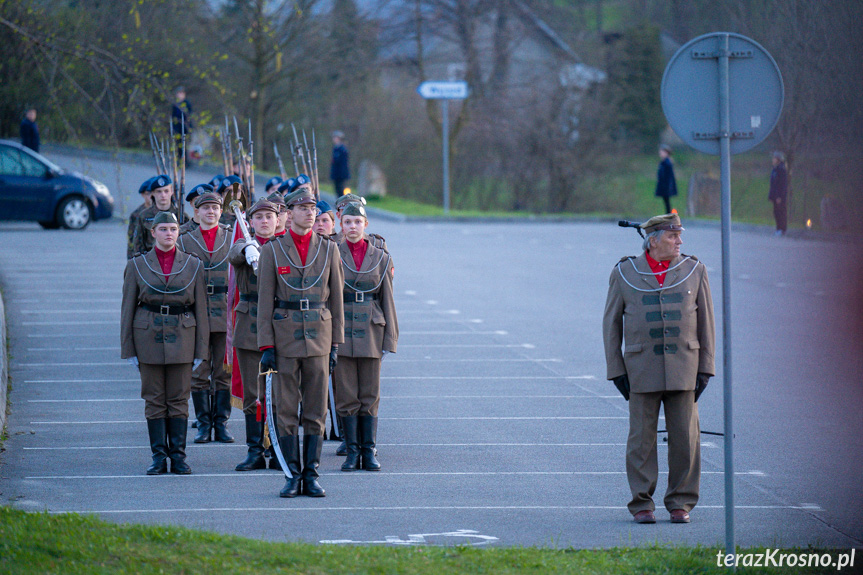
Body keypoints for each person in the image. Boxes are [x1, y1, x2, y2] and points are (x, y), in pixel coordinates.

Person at [602, 213, 715, 525]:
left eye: (679, 236)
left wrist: (705, 368)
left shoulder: (694, 270)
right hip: (641, 369)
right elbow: (611, 324)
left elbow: (706, 323)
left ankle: (680, 502)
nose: (679, 242)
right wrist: (616, 369)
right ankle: (642, 503)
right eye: (672, 236)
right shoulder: (625, 273)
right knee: (641, 441)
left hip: (685, 368)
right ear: (652, 241)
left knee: (685, 440)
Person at [257, 186, 344, 498]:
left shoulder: (329, 249)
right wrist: (266, 346)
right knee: (286, 409)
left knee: (316, 410)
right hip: (285, 339)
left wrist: (336, 345)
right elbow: (264, 302)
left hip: (320, 337)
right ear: (288, 213)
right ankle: (292, 474)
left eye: (313, 208)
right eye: (302, 207)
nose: (310, 212)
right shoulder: (272, 250)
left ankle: (312, 473)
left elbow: (337, 301)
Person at [121, 211, 209, 475]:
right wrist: (129, 349)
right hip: (147, 335)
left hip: (182, 335)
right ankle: (159, 456)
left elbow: (201, 310)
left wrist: (200, 349)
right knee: (154, 398)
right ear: (153, 232)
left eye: (173, 228)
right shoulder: (137, 265)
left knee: (179, 398)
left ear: (178, 232)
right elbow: (127, 308)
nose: (169, 233)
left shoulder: (193, 265)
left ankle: (179, 457)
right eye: (163, 229)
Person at [334, 202, 398, 472]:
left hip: (372, 328)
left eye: (357, 223)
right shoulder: (330, 254)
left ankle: (369, 451)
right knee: (347, 394)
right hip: (341, 329)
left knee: (370, 394)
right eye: (347, 222)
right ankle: (352, 452)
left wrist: (390, 338)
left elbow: (388, 299)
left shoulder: (381, 257)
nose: (352, 227)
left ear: (366, 225)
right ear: (341, 224)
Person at [228, 199, 282, 471]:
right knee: (253, 391)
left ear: (277, 219)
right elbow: (234, 254)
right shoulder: (243, 245)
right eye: (258, 217)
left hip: (278, 326)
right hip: (249, 325)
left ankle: (277, 448)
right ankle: (254, 450)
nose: (264, 221)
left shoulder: (284, 246)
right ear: (250, 222)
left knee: (279, 393)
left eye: (269, 216)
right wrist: (247, 247)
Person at [178, 192, 234, 444]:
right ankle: (203, 424)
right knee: (199, 371)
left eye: (215, 208)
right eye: (206, 208)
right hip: (197, 311)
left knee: (223, 371)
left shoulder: (233, 237)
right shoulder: (185, 239)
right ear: (196, 212)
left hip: (225, 310)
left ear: (221, 211)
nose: (211, 212)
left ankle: (220, 423)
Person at [130, 176, 189, 257]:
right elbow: (138, 243)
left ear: (172, 191)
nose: (163, 195)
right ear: (153, 193)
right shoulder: (144, 216)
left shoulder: (181, 215)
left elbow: (189, 243)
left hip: (177, 260)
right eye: (159, 192)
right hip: (152, 260)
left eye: (166, 191)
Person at [127, 177, 155, 259]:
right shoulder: (136, 215)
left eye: (153, 193)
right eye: (148, 194)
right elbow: (131, 240)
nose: (151, 197)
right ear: (143, 194)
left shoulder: (163, 212)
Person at [769, 151, 789, 236]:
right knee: (776, 212)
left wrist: (779, 196)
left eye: (774, 158)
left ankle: (782, 229)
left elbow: (782, 184)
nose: (773, 160)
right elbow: (773, 183)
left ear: (778, 159)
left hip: (779, 196)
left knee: (781, 212)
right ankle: (778, 228)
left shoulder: (781, 169)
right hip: (775, 195)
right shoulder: (775, 169)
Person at [655, 145, 677, 214]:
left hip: (666, 185)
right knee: (666, 201)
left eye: (662, 152)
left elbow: (668, 176)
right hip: (664, 185)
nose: (660, 153)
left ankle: (668, 214)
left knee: (667, 201)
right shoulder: (664, 162)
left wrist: (667, 186)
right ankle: (668, 214)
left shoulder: (667, 163)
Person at [330, 131, 350, 196]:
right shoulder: (336, 148)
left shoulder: (342, 149)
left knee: (341, 189)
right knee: (337, 190)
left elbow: (343, 163)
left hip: (341, 174)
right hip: (336, 174)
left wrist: (342, 175)